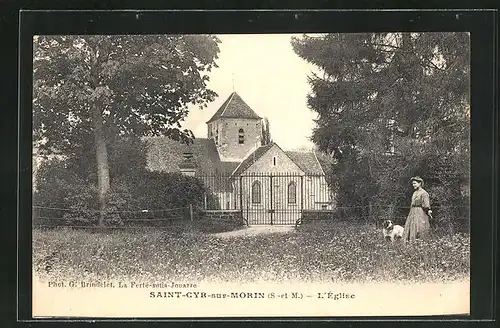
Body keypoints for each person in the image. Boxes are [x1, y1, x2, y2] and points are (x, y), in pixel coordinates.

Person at [402, 176, 432, 242]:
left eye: (415, 183)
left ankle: (420, 243)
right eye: (413, 184)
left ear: (420, 183)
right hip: (413, 212)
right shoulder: (414, 193)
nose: (413, 185)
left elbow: (426, 205)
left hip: (420, 213)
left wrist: (428, 210)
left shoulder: (424, 193)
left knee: (419, 227)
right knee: (411, 227)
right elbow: (412, 204)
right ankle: (410, 243)